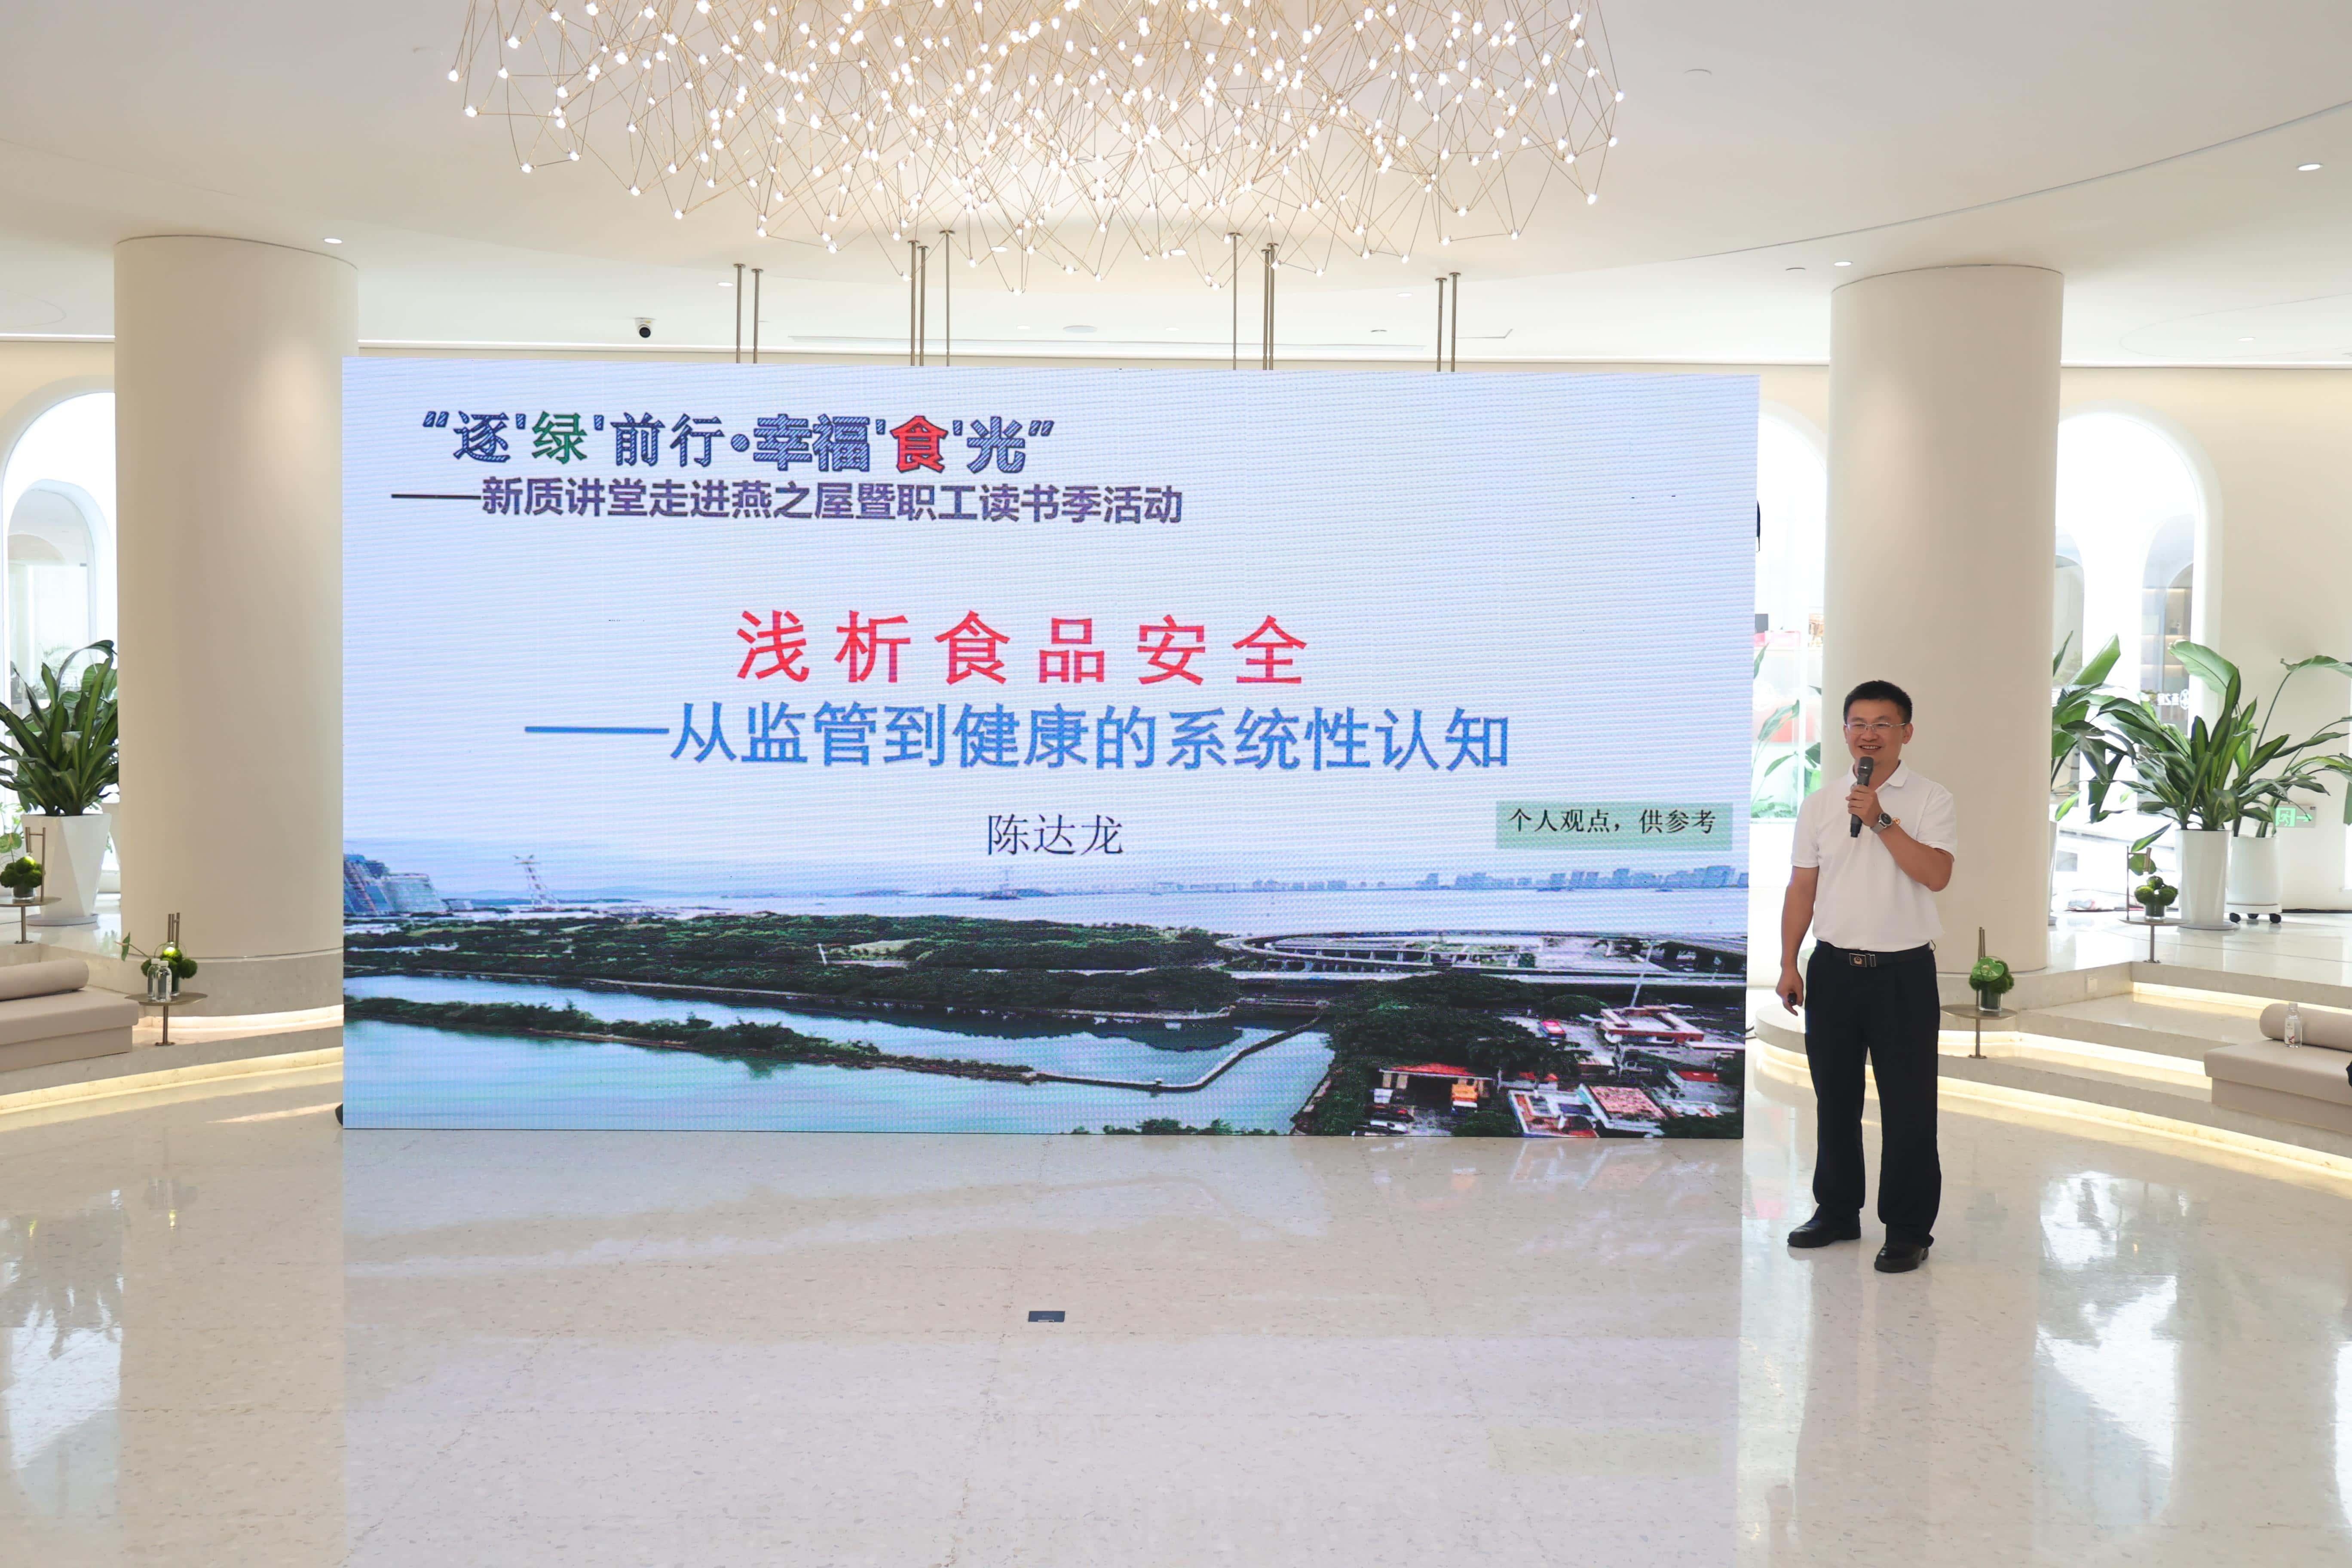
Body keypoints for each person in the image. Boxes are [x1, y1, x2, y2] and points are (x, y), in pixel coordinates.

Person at [1776, 680, 1957, 1274]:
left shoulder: (1931, 799)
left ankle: (1907, 1229)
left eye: (1883, 724)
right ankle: (1836, 1211)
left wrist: (1881, 821)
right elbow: (1802, 887)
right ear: (1845, 731)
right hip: (1833, 970)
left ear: (1906, 732)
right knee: (1834, 1101)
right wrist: (1789, 962)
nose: (1869, 734)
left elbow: (1936, 875)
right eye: (1858, 723)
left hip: (1903, 972)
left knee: (1909, 1107)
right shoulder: (1820, 803)